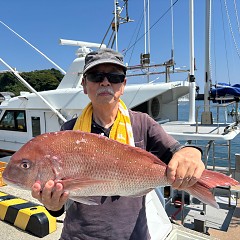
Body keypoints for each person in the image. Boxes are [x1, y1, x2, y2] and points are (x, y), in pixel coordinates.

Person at [32, 48, 204, 240]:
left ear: (123, 85)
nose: (105, 82)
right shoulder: (70, 130)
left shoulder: (142, 123)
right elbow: (61, 203)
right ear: (84, 85)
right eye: (96, 76)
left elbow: (176, 153)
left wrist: (191, 152)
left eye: (114, 77)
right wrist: (53, 206)